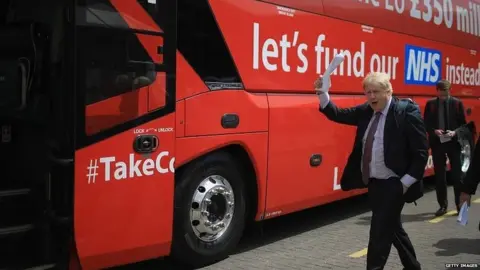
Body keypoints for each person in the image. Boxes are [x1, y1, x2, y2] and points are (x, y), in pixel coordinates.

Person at [314, 71, 428, 270]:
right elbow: (338, 114)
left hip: (395, 183)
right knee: (392, 229)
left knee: (378, 235)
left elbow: (420, 152)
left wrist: (404, 184)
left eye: (376, 92)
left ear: (388, 91)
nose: (371, 97)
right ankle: (413, 266)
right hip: (375, 183)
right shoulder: (367, 111)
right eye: (368, 92)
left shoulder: (405, 112)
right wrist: (323, 92)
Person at [423, 79, 467, 216]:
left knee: (457, 176)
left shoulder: (457, 104)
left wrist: (454, 132)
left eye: (446, 93)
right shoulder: (430, 105)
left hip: (453, 143)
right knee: (440, 177)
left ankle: (459, 206)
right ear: (437, 91)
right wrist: (434, 131)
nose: (444, 96)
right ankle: (442, 205)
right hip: (438, 144)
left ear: (450, 90)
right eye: (441, 93)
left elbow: (463, 126)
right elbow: (425, 124)